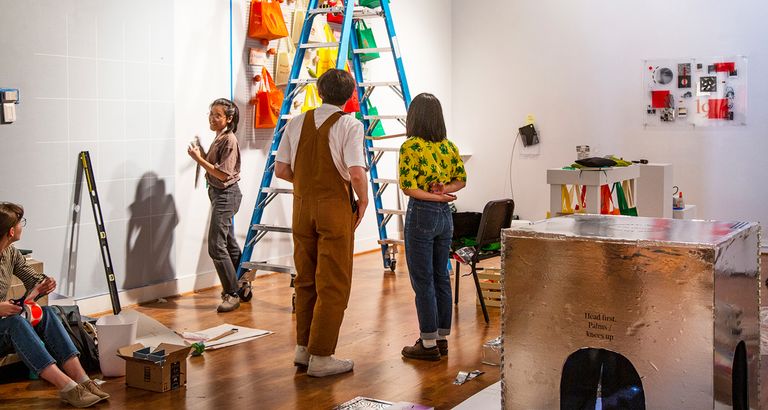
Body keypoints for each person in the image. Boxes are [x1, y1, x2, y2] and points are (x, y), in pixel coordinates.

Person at [275, 69, 368, 377]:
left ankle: (303, 349)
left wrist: (307, 185)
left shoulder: (295, 121)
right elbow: (356, 172)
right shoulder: (349, 125)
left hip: (301, 207)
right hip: (334, 207)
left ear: (318, 90)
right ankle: (323, 356)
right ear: (350, 95)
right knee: (334, 281)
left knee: (305, 278)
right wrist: (363, 201)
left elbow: (281, 170)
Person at [0, 202, 110, 407]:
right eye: (21, 222)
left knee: (48, 313)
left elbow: (32, 277)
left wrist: (43, 283)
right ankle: (67, 387)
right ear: (11, 230)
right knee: (16, 324)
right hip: (4, 324)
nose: (23, 226)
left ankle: (82, 380)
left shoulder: (10, 254)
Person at [398, 93, 466, 361]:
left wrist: (434, 194)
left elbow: (408, 188)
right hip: (445, 215)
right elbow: (460, 180)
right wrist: (444, 191)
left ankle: (427, 344)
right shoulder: (448, 146)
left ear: (414, 117)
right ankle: (441, 337)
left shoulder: (411, 146)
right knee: (441, 276)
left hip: (422, 215)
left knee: (423, 279)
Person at [187, 98, 243, 313]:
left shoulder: (229, 140)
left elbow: (222, 173)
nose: (212, 118)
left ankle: (232, 293)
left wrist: (198, 159)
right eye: (211, 114)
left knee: (216, 245)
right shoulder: (220, 138)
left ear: (228, 119)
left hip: (226, 196)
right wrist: (202, 152)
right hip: (219, 195)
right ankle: (242, 283)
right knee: (228, 243)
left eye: (217, 115)